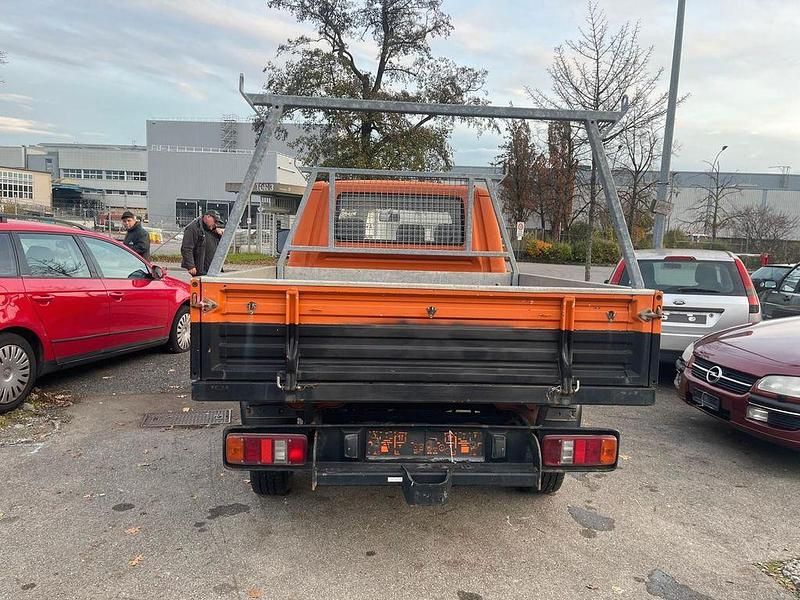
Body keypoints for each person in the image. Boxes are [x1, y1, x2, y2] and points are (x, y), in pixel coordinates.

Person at [180, 210, 225, 276]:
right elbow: (186, 248)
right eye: (215, 221)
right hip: (200, 268)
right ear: (208, 217)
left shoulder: (214, 230)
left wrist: (220, 235)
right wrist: (190, 266)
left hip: (213, 268)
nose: (215, 224)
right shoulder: (193, 228)